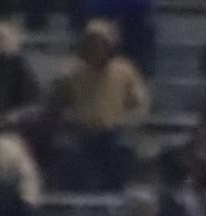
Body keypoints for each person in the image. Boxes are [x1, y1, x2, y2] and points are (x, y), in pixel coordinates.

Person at [49, 20, 149, 192]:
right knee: (69, 151)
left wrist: (127, 122)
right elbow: (57, 102)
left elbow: (140, 104)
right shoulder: (72, 72)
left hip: (114, 132)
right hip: (82, 132)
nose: (97, 48)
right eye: (92, 43)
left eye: (101, 43)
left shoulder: (125, 70)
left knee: (122, 149)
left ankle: (115, 195)